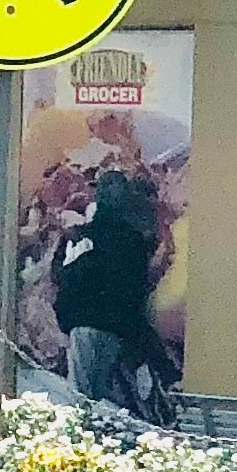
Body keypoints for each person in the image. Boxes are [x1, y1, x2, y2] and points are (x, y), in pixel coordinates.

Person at [52, 170, 171, 422]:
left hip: (83, 323)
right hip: (117, 328)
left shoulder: (84, 236)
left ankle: (78, 443)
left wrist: (66, 316)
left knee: (80, 395)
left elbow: (65, 278)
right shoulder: (135, 241)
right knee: (102, 392)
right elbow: (138, 288)